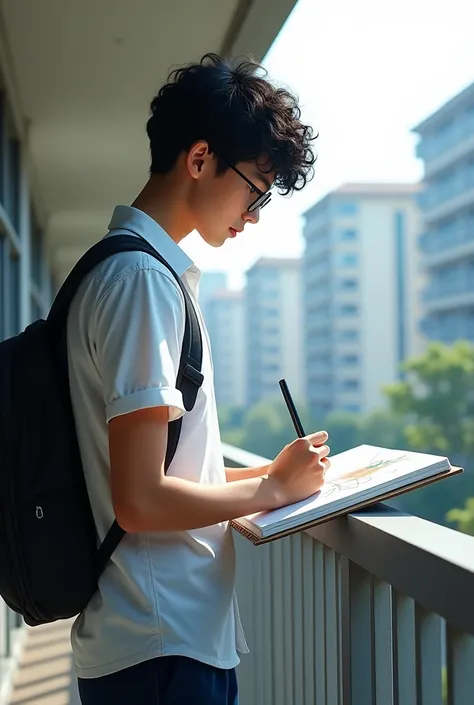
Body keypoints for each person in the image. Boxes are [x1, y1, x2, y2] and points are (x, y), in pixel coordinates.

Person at [68, 52, 330, 705]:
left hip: (156, 643)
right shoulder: (141, 282)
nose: (256, 211)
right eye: (255, 188)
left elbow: (163, 475)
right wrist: (269, 489)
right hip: (161, 647)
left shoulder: (128, 271)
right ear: (199, 159)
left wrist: (273, 474)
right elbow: (141, 499)